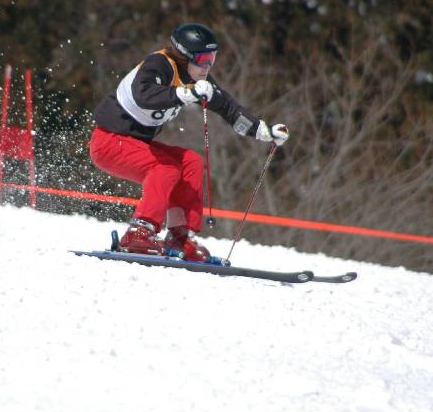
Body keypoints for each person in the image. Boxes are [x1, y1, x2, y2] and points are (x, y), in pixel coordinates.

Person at [89, 23, 289, 262]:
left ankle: (179, 235)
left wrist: (263, 131)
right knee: (165, 169)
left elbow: (227, 107)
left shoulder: (197, 78)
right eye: (203, 59)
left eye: (212, 59)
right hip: (109, 141)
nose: (207, 67)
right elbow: (144, 94)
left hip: (136, 143)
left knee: (190, 163)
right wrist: (183, 94)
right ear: (184, 56)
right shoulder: (159, 64)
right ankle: (139, 232)